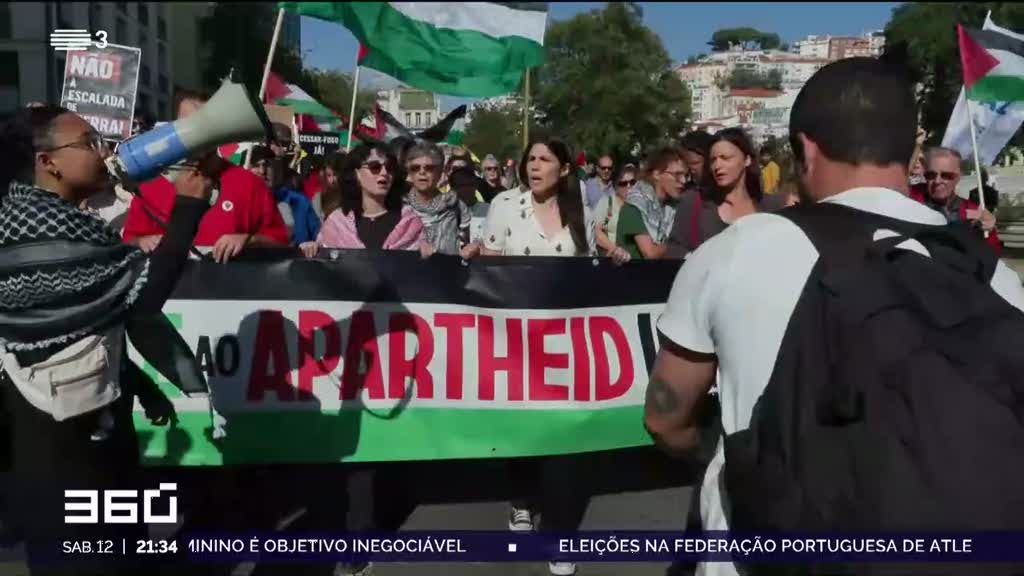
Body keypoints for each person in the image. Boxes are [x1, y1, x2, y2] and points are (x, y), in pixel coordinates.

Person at [643, 57, 1024, 576]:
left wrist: (715, 448)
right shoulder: (990, 275)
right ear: (910, 150)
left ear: (805, 149)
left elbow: (665, 418)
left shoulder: (736, 251)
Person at [0, 105, 214, 575]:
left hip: (90, 416)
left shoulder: (54, 217)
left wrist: (139, 385)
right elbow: (141, 295)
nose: (104, 152)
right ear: (47, 161)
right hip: (65, 443)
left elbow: (77, 330)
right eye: (88, 142)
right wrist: (188, 210)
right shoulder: (39, 227)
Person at [121, 91, 290, 262]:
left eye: (204, 125)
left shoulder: (250, 185)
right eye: (187, 125)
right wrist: (141, 242)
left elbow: (280, 243)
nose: (196, 134)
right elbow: (128, 243)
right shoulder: (151, 186)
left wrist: (250, 240)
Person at [300, 143, 425, 255]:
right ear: (356, 174)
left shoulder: (410, 221)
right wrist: (312, 248)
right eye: (375, 167)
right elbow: (326, 266)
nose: (384, 172)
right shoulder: (337, 222)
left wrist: (428, 254)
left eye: (389, 167)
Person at [911, 147, 1001, 254]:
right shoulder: (909, 198)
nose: (937, 181)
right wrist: (917, 144)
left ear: (958, 176)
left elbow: (991, 255)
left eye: (946, 175)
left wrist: (989, 231)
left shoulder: (971, 210)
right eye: (930, 175)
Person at [403, 141, 473, 257]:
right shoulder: (399, 206)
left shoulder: (457, 206)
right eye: (415, 168)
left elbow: (466, 245)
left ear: (440, 172)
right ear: (409, 172)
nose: (422, 172)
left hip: (447, 272)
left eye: (429, 168)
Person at [615, 147, 686, 260]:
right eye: (677, 175)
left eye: (685, 175)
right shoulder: (635, 206)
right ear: (656, 174)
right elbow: (650, 254)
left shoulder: (672, 207)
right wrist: (679, 243)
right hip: (634, 275)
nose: (683, 181)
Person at [707, 128, 762, 225]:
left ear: (747, 160)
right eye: (713, 160)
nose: (717, 166)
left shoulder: (769, 206)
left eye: (725, 158)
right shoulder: (698, 206)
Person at [593, 163, 635, 261]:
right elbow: (597, 232)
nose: (629, 186)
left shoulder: (642, 204)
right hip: (615, 259)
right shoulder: (607, 204)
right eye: (623, 183)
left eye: (632, 182)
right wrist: (614, 249)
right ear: (616, 186)